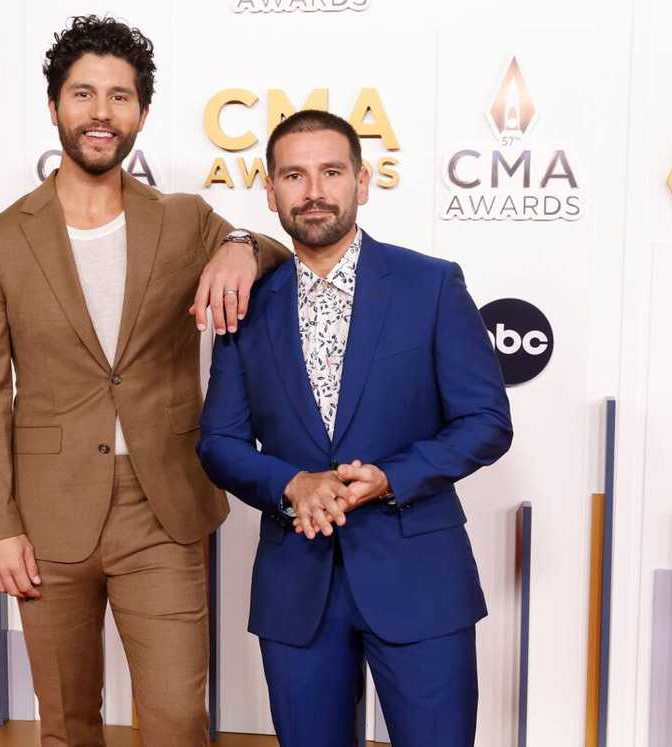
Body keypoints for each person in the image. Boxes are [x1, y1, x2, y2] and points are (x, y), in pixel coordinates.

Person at [0, 15, 289, 747]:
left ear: (140, 113)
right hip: (44, 518)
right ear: (55, 108)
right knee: (68, 724)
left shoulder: (184, 219)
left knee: (176, 720)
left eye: (120, 96)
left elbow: (271, 247)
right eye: (83, 94)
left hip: (162, 507)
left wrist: (240, 246)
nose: (101, 112)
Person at [196, 109, 513, 747]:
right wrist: (293, 485)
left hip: (420, 579)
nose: (314, 191)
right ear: (271, 192)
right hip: (297, 588)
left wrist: (393, 476)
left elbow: (486, 420)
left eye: (331, 172)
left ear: (362, 183)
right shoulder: (248, 302)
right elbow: (219, 442)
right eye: (294, 175)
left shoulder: (430, 284)